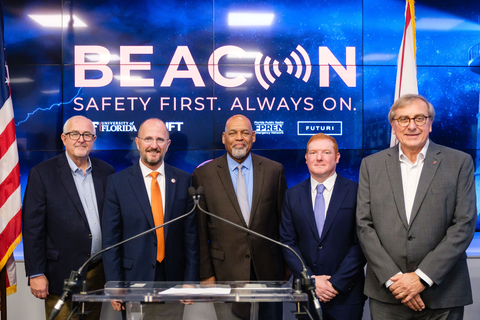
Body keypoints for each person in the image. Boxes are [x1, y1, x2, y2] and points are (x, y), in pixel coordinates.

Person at [356, 94, 477, 319]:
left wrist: (421, 277)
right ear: (393, 126)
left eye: (419, 118)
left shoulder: (459, 163)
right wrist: (395, 280)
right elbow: (364, 225)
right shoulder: (371, 166)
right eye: (403, 119)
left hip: (443, 293)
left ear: (430, 123)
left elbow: (464, 224)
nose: (411, 126)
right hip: (388, 293)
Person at [192, 114, 288, 320]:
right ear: (224, 137)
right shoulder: (204, 174)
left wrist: (286, 267)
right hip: (224, 271)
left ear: (253, 136)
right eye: (233, 133)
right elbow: (200, 231)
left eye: (245, 132)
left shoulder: (274, 170)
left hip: (268, 270)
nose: (239, 138)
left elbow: (283, 223)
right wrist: (206, 273)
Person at [101, 118, 198, 319]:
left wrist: (191, 280)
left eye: (160, 140)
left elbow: (191, 236)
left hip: (173, 279)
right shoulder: (117, 183)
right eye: (148, 139)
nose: (154, 146)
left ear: (168, 144)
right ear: (137, 142)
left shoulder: (184, 181)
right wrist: (114, 283)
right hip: (132, 280)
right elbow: (111, 241)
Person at [22, 115, 115, 320]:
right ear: (64, 138)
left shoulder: (107, 172)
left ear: (93, 139)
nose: (81, 139)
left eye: (87, 135)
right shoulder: (42, 173)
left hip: (97, 273)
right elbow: (32, 228)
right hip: (60, 274)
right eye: (75, 134)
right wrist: (36, 273)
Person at [280, 133, 366, 320]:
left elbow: (363, 243)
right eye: (313, 152)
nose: (319, 158)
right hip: (307, 294)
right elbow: (288, 242)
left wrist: (336, 283)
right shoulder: (292, 195)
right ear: (306, 158)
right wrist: (311, 280)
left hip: (346, 294)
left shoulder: (356, 192)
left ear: (337, 157)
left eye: (326, 152)